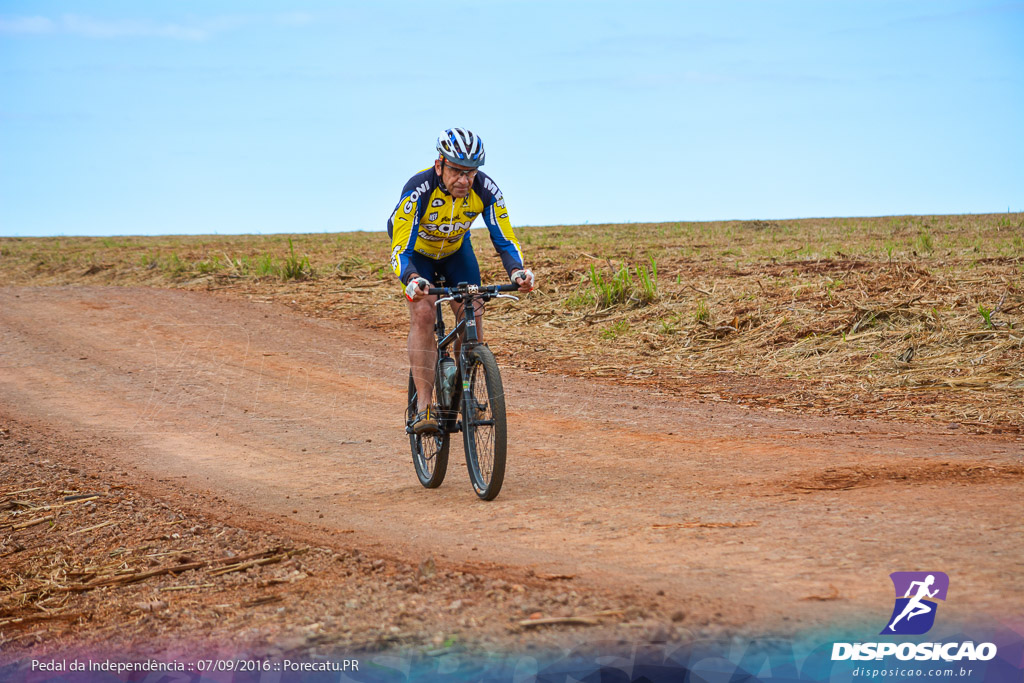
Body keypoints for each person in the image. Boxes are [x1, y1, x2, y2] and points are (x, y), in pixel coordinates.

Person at [387, 128, 535, 434]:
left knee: (474, 311)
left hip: (456, 252)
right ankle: (424, 405)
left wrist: (517, 271)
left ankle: (465, 386)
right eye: (456, 171)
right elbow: (400, 247)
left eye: (470, 172)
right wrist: (411, 277)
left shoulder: (486, 190)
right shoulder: (419, 189)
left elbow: (505, 238)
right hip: (418, 255)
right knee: (425, 313)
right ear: (440, 165)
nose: (464, 180)